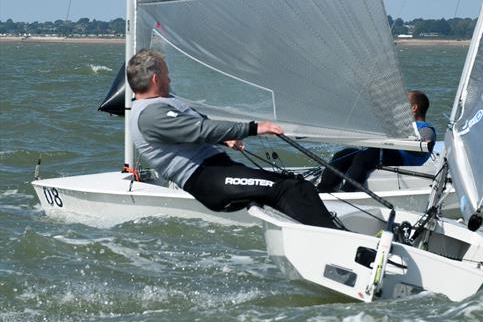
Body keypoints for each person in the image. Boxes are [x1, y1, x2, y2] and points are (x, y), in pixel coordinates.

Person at [127, 49, 340, 228]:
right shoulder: (150, 115)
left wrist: (224, 139)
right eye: (166, 74)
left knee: (299, 186)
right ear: (156, 79)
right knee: (288, 189)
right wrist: (255, 128)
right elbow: (199, 129)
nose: (169, 78)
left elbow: (188, 129)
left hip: (219, 172)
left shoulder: (159, 104)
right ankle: (336, 243)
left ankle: (329, 234)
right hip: (207, 180)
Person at [316, 90, 436, 192]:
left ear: (414, 108)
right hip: (385, 153)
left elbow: (426, 145)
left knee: (364, 157)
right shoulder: (400, 126)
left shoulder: (425, 128)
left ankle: (347, 192)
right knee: (344, 154)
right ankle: (323, 189)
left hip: (403, 159)